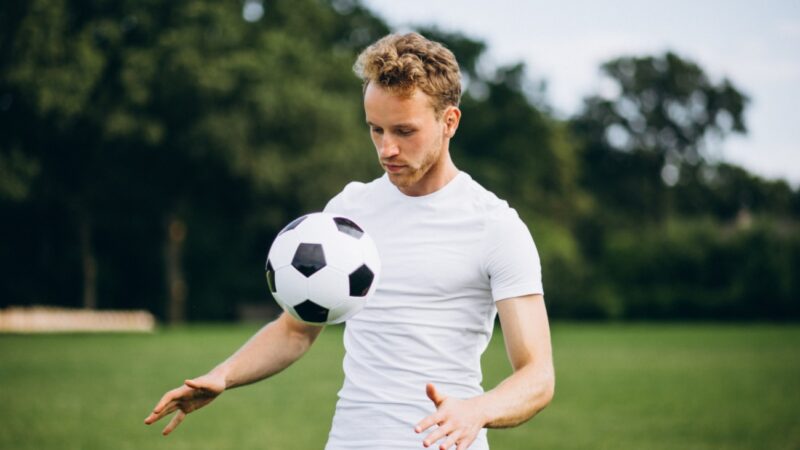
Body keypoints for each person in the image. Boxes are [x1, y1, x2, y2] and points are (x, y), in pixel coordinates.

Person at [144, 32, 554, 450]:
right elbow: (296, 330)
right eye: (375, 129)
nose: (386, 148)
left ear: (449, 121)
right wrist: (224, 375)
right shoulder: (349, 210)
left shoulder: (494, 225)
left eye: (404, 131)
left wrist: (477, 410)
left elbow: (537, 375)